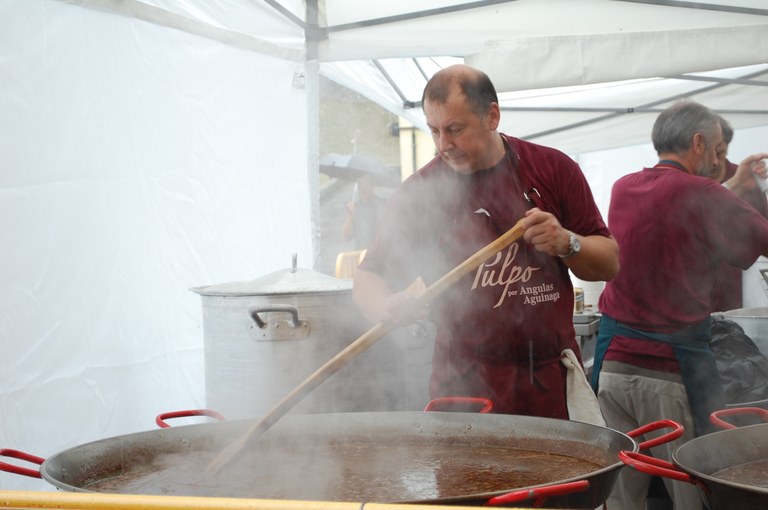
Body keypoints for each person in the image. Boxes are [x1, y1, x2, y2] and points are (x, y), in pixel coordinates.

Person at [352, 64, 619, 421]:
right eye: (434, 131)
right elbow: (368, 277)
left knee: (561, 477)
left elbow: (610, 263)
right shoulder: (420, 194)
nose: (444, 145)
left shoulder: (553, 170)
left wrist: (567, 242)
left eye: (455, 130)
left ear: (492, 115)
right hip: (464, 386)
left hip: (547, 380)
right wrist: (385, 306)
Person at [590, 100, 768, 510]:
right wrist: (745, 188)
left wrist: (728, 188)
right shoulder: (703, 192)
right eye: (719, 151)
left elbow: (680, 209)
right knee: (694, 491)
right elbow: (756, 240)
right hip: (669, 375)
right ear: (699, 143)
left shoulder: (623, 186)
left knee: (621, 494)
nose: (720, 162)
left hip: (613, 368)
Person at [710, 117, 768, 312]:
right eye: (711, 153)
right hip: (698, 288)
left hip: (740, 285)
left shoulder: (746, 176)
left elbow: (762, 230)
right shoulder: (687, 182)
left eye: (720, 152)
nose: (715, 162)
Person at [342, 174, 387, 250]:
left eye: (365, 184)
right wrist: (350, 216)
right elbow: (347, 237)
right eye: (360, 185)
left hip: (379, 255)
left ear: (372, 185)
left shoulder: (383, 205)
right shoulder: (355, 208)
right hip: (361, 255)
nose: (362, 188)